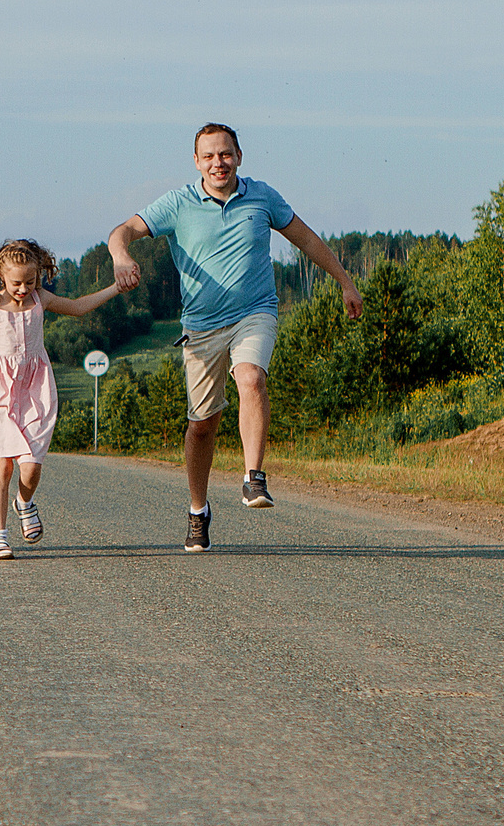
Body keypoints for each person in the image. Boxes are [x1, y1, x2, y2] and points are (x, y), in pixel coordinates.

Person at [106, 122, 362, 552]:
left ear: (239, 157)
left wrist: (345, 282)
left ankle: (253, 477)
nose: (218, 163)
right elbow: (123, 231)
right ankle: (198, 509)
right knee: (202, 425)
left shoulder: (262, 197)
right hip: (201, 326)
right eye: (209, 156)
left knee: (251, 378)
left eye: (225, 154)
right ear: (196, 162)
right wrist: (120, 256)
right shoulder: (178, 203)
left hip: (254, 312)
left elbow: (306, 239)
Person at [0, 239, 133, 559]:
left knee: (31, 466)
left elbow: (78, 307)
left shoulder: (41, 299)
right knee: (2, 467)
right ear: (1, 276)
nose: (23, 289)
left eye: (30, 281)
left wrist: (115, 288)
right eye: (16, 283)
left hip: (35, 389)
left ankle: (24, 502)